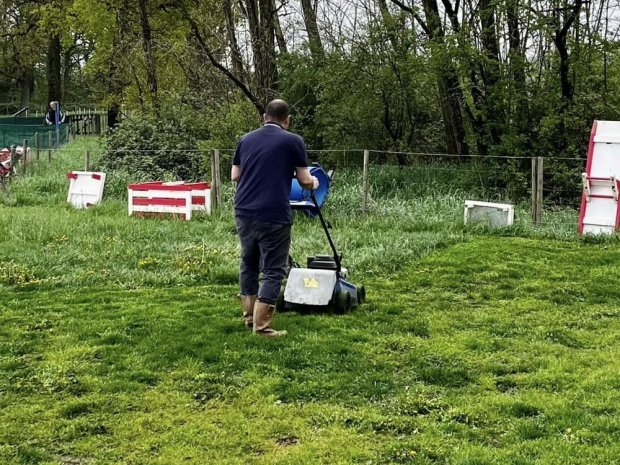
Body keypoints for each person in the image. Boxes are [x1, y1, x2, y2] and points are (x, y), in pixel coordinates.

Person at [231, 99, 319, 337]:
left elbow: (234, 175)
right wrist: (315, 182)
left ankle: (249, 317)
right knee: (273, 269)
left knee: (248, 262)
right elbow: (304, 180)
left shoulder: (245, 139)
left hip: (244, 210)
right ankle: (262, 327)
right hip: (274, 213)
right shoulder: (293, 141)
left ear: (264, 117)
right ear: (287, 120)